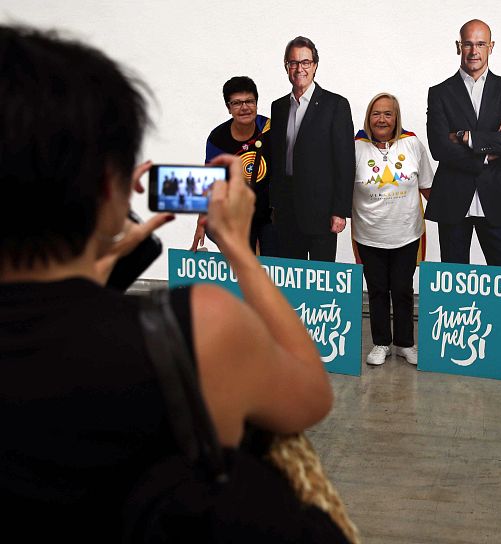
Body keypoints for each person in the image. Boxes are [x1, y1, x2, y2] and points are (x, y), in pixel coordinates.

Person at [0, 26, 333, 538]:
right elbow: (311, 396)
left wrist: (108, 258)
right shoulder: (199, 326)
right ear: (110, 189)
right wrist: (239, 250)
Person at [425, 19, 501, 267]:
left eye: (480, 44)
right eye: (468, 44)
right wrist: (490, 150)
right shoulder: (439, 92)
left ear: (491, 46)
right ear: (458, 46)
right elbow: (439, 147)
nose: (474, 51)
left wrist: (467, 137)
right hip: (453, 198)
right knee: (453, 281)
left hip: (498, 197)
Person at [352, 93, 433, 366]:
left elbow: (427, 187)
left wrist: (451, 214)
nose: (382, 119)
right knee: (377, 290)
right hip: (369, 234)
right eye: (376, 113)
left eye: (388, 113)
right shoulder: (355, 147)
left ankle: (405, 344)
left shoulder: (412, 143)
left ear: (396, 117)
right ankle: (381, 343)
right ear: (368, 117)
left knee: (402, 290)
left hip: (406, 233)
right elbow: (340, 189)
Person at [270, 36, 355, 262]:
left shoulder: (335, 105)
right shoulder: (278, 107)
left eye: (305, 62)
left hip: (322, 213)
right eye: (293, 63)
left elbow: (345, 162)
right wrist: (274, 204)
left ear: (315, 65)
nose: (300, 69)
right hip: (287, 211)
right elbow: (277, 159)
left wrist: (340, 211)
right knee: (290, 275)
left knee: (321, 277)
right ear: (286, 66)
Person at [191, 76, 278, 256]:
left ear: (256, 103)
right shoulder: (218, 139)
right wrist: (201, 223)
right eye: (237, 103)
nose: (244, 107)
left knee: (271, 264)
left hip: (269, 213)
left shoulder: (270, 129)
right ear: (228, 107)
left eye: (249, 101)